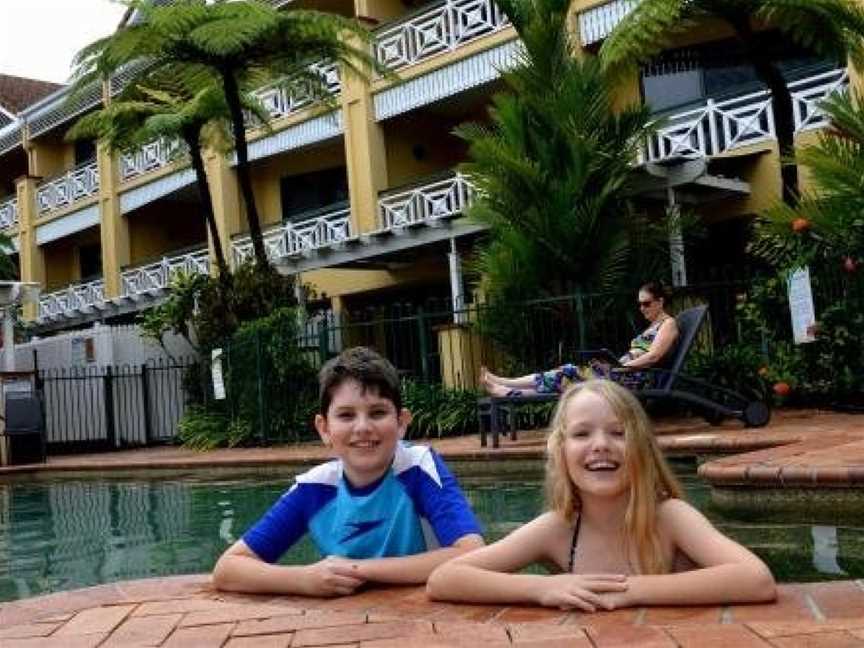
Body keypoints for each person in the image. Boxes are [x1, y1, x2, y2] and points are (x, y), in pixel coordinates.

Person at [427, 380, 776, 610]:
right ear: (561, 451)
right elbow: (445, 578)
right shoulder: (558, 529)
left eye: (618, 433)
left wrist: (630, 592)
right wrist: (541, 589)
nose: (601, 446)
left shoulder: (670, 517)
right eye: (582, 434)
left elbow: (756, 579)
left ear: (642, 447)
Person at [212, 346, 484, 596]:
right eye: (346, 415)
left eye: (377, 413)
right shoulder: (314, 489)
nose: (363, 427)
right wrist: (304, 579)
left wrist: (359, 569)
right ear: (324, 429)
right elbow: (228, 569)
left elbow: (471, 553)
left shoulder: (418, 467)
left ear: (401, 423)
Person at [481, 282, 680, 396]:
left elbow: (654, 357)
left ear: (660, 301)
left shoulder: (668, 324)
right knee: (567, 376)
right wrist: (612, 364)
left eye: (646, 303)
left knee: (568, 376)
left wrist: (621, 367)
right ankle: (506, 386)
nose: (642, 308)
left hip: (635, 379)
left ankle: (507, 389)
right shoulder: (652, 327)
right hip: (622, 374)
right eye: (639, 305)